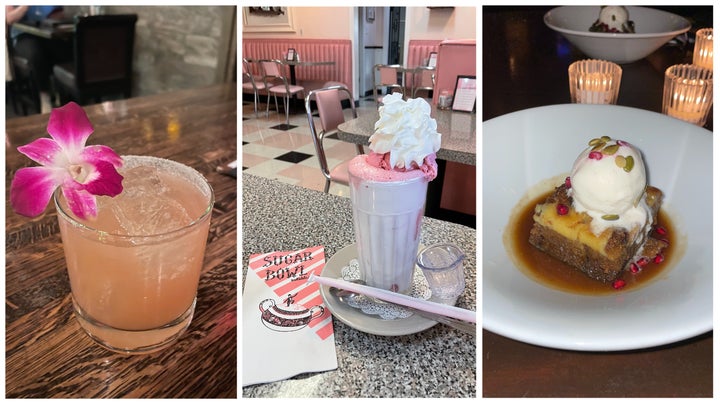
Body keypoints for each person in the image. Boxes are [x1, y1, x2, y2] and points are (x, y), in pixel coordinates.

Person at [6, 5, 73, 113]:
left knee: (66, 47)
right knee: (36, 54)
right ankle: (44, 95)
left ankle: (63, 93)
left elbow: (59, 14)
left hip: (46, 32)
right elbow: (9, 18)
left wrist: (55, 16)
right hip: (23, 35)